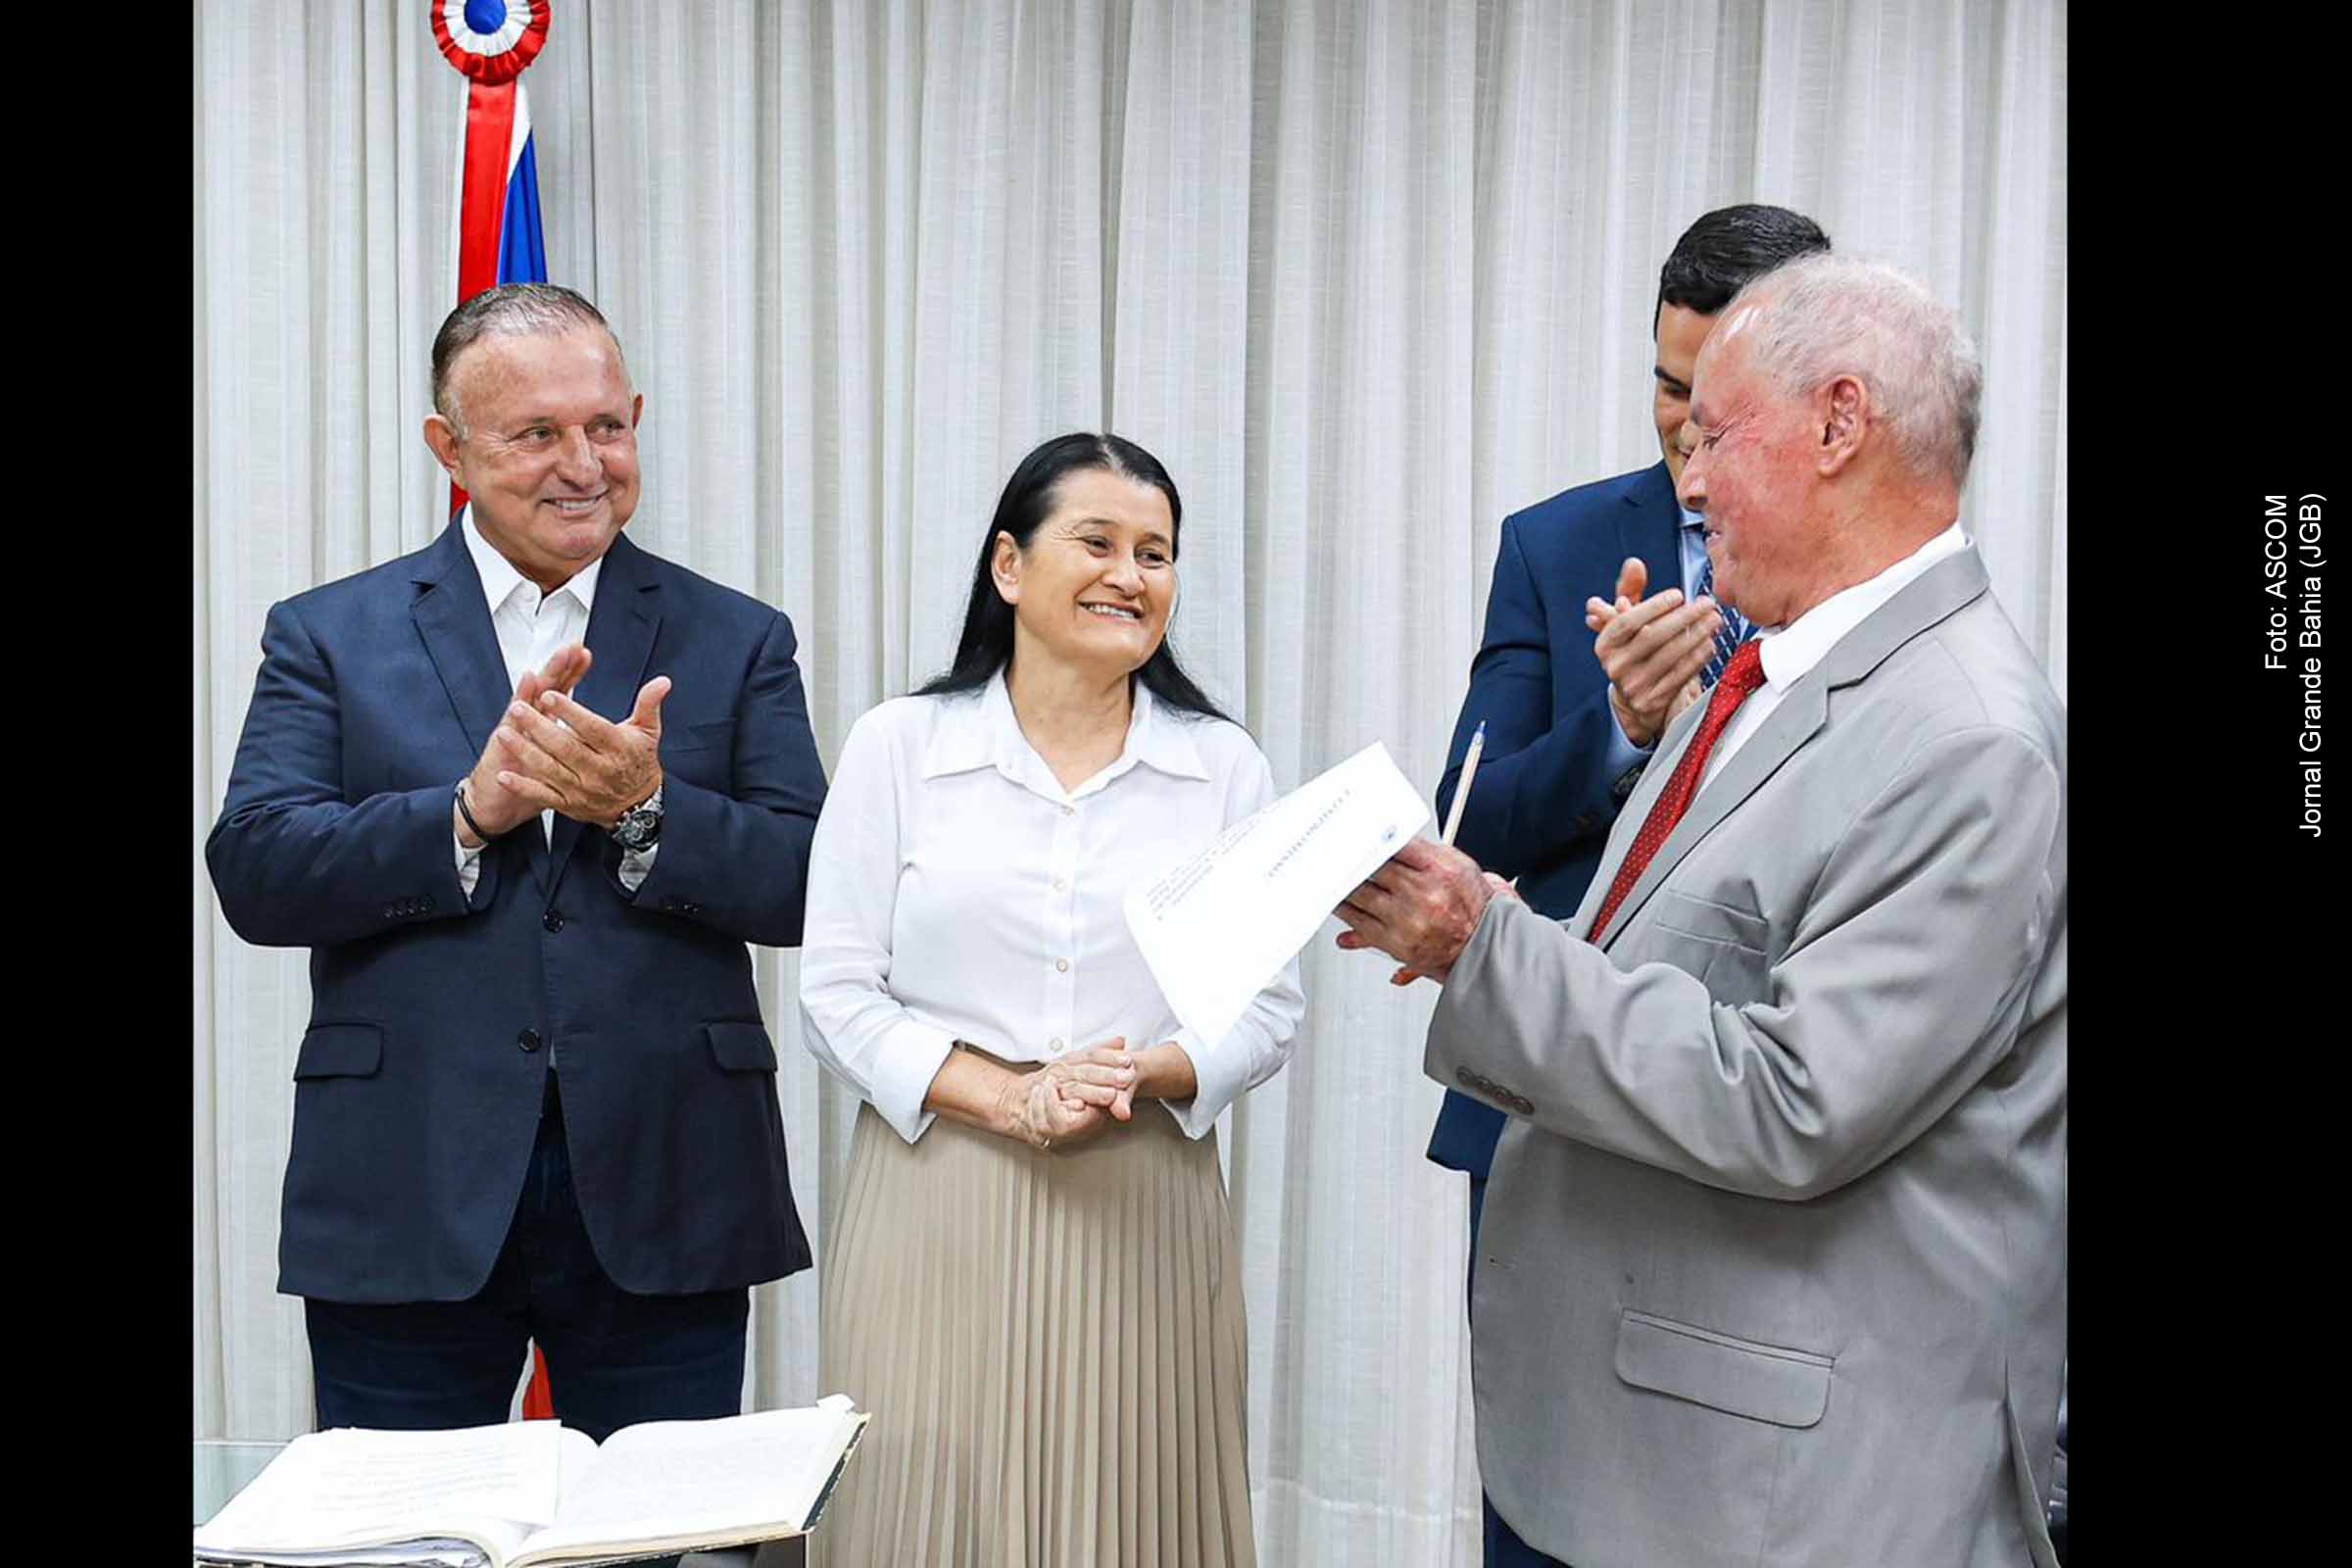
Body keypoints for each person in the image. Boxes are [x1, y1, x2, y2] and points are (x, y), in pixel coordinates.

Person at [1339, 255, 2065, 1566]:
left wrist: (1485, 950)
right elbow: (1668, 959)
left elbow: (1793, 1099)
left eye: (1712, 435)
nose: (1685, 480)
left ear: (1839, 426)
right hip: (1658, 1442)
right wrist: (1508, 918)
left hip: (1790, 1494)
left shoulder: (1969, 739)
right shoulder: (1769, 664)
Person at [206, 283, 828, 1445]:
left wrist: (648, 810)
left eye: (607, 426)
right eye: (536, 434)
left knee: (647, 1538)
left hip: (667, 1177)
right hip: (408, 1182)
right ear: (450, 447)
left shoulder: (737, 635)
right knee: (401, 1536)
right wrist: (463, 814)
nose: (583, 463)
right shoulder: (328, 632)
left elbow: (808, 881)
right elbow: (256, 866)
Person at [799, 432, 1305, 1568]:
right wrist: (1005, 1098)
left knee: (1125, 1517)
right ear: (1010, 567)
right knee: (921, 1517)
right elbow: (835, 990)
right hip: (938, 1188)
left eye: (1158, 553)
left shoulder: (1223, 767)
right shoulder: (900, 747)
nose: (1132, 574)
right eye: (1099, 542)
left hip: (1140, 1189)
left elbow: (1266, 1007)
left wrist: (1141, 1071)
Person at [1423, 205, 1828, 1564]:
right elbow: (1469, 816)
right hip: (1548, 1112)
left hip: (1766, 1113)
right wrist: (1619, 733)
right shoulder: (1559, 544)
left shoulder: (1862, 575)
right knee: (1541, 1509)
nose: (1682, 425)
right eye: (1666, 384)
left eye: (1714, 396)